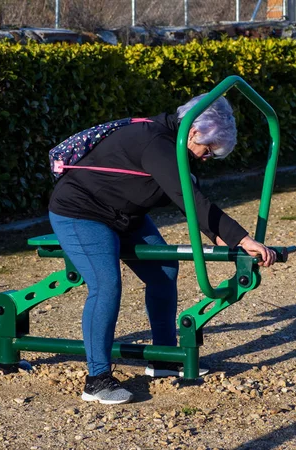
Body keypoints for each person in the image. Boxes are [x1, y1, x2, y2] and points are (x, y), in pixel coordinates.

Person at [48, 93, 276, 405]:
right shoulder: (156, 143)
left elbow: (190, 200)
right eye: (208, 150)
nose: (207, 157)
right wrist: (242, 239)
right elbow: (191, 201)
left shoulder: (174, 143)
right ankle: (97, 380)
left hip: (124, 215)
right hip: (81, 211)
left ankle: (164, 358)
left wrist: (230, 239)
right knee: (106, 284)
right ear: (193, 132)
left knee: (164, 270)